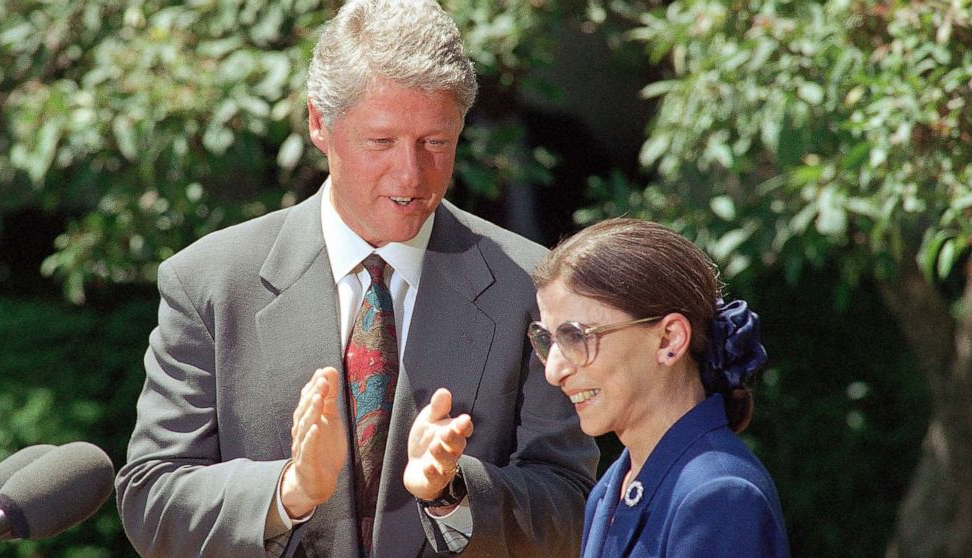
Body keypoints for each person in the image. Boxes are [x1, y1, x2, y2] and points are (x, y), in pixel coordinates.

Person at [113, 1, 598, 557]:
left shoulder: (532, 290)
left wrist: (454, 495)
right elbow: (151, 499)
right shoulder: (208, 283)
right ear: (319, 122)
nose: (411, 174)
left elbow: (571, 505)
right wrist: (288, 491)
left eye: (435, 142)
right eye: (381, 142)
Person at [529, 218, 790, 557]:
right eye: (547, 340)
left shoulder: (719, 495)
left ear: (670, 339)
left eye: (577, 337)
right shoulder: (611, 487)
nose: (554, 371)